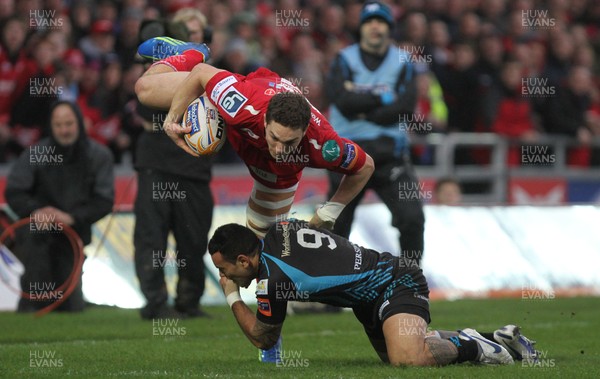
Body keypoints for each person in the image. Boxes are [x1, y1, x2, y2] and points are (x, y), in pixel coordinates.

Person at [208, 220, 540, 366]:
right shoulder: (280, 227)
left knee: (407, 360)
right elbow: (318, 233)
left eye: (226, 271)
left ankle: (478, 348)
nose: (226, 276)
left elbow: (263, 338)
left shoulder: (272, 281)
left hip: (394, 281)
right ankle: (493, 338)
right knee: (399, 354)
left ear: (243, 259)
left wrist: (232, 296)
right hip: (366, 296)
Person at [134, 37, 375, 238]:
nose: (280, 148)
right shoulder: (241, 105)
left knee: (263, 243)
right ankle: (188, 53)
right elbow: (201, 74)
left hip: (279, 173)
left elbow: (365, 166)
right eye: (275, 137)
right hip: (235, 110)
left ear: (304, 132)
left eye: (290, 142)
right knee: (144, 90)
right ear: (266, 122)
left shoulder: (324, 144)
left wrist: (331, 210)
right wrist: (172, 119)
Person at [326, 1, 425, 265]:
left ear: (389, 28)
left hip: (390, 157)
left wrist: (361, 102)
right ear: (360, 28)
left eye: (380, 22)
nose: (374, 27)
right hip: (349, 158)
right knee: (334, 227)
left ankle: (411, 281)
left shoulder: (404, 62)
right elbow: (342, 102)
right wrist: (384, 97)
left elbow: (403, 107)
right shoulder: (343, 58)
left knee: (412, 218)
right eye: (369, 22)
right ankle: (327, 293)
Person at [133, 9, 214, 320]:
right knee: (151, 238)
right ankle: (155, 304)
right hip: (157, 162)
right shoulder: (159, 65)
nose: (192, 37)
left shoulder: (210, 70)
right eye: (186, 32)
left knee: (194, 239)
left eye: (197, 33)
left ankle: (189, 302)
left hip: (194, 166)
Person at [4, 100, 114, 312]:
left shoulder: (98, 156)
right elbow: (14, 191)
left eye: (69, 123)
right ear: (51, 126)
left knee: (71, 306)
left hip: (74, 234)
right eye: (58, 124)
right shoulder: (35, 153)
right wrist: (36, 211)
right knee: (34, 301)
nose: (64, 130)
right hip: (37, 235)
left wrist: (71, 217)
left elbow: (104, 201)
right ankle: (31, 311)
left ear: (80, 123)